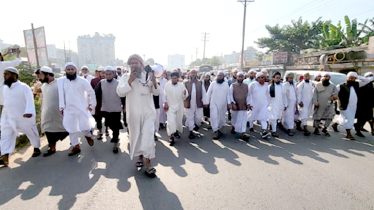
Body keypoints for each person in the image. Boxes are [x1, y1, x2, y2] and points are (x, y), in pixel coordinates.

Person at [117, 54, 159, 177]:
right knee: (136, 137)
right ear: (129, 65)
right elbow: (120, 92)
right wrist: (130, 80)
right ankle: (140, 157)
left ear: (141, 64)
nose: (134, 65)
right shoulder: (125, 77)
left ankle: (148, 164)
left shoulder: (148, 76)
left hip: (148, 112)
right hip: (134, 113)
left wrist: (154, 81)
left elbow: (156, 92)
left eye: (137, 63)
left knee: (147, 136)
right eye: (132, 63)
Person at [0, 67, 41, 166]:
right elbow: (5, 102)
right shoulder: (4, 88)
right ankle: (4, 157)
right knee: (5, 135)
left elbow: (30, 100)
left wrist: (29, 111)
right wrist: (4, 115)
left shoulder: (24, 87)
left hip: (24, 116)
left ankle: (36, 148)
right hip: (9, 116)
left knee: (31, 133)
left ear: (14, 76)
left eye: (6, 74)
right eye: (4, 74)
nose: (4, 76)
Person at [58, 62, 96, 156]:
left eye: (72, 69)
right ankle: (75, 146)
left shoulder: (82, 81)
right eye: (68, 69)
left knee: (85, 126)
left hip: (81, 108)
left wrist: (92, 104)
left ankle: (88, 136)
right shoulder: (61, 81)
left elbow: (91, 92)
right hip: (68, 109)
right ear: (65, 70)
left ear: (75, 70)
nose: (70, 71)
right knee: (71, 128)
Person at [39, 66, 69, 157]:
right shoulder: (43, 86)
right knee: (48, 129)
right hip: (47, 112)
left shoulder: (59, 84)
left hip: (59, 113)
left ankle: (75, 144)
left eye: (40, 75)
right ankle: (52, 148)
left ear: (47, 74)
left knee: (65, 129)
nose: (39, 77)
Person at [94, 66, 124, 153]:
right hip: (105, 109)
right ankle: (110, 134)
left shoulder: (119, 83)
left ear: (114, 73)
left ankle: (115, 143)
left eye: (110, 74)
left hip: (116, 109)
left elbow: (123, 96)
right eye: (106, 74)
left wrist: (124, 106)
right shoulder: (101, 83)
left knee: (115, 127)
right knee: (109, 124)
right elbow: (96, 94)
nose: (108, 76)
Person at [334, 71, 370, 140]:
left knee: (344, 118)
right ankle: (348, 134)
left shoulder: (357, 84)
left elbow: (367, 80)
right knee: (349, 119)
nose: (351, 79)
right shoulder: (341, 86)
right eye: (350, 78)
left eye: (353, 78)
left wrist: (358, 76)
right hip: (344, 105)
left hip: (353, 106)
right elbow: (334, 92)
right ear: (347, 78)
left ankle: (335, 124)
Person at [163, 71, 188, 146]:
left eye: (175, 78)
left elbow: (185, 96)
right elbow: (164, 95)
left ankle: (176, 131)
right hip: (170, 106)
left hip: (179, 106)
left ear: (177, 78)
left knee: (178, 121)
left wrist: (184, 94)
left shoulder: (181, 85)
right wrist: (165, 103)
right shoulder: (167, 85)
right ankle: (171, 136)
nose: (174, 79)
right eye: (173, 78)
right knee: (171, 121)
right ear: (171, 78)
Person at [0, 48, 22, 127]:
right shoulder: (3, 66)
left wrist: (6, 53)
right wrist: (18, 54)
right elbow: (17, 61)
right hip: (3, 94)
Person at [206, 71, 231, 140]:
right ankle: (215, 130)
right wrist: (206, 102)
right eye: (218, 75)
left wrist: (229, 103)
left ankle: (219, 129)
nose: (219, 77)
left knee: (221, 118)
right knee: (214, 116)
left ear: (223, 77)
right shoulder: (213, 84)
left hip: (223, 104)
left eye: (221, 75)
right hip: (213, 103)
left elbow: (228, 94)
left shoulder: (226, 85)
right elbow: (208, 93)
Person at [183, 69, 207, 139]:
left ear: (196, 74)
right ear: (189, 74)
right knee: (190, 117)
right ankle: (191, 131)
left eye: (194, 73)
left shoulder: (200, 83)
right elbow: (182, 93)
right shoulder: (185, 83)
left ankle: (196, 125)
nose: (193, 74)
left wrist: (205, 102)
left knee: (199, 118)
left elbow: (204, 93)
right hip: (189, 103)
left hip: (198, 103)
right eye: (192, 73)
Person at [312, 72, 338, 136]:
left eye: (327, 76)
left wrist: (334, 96)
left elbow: (336, 93)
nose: (326, 78)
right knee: (318, 116)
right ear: (322, 77)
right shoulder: (318, 85)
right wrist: (315, 102)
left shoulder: (332, 86)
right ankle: (316, 129)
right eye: (325, 76)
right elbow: (314, 94)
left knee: (331, 115)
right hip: (320, 103)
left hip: (329, 104)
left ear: (329, 78)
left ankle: (325, 128)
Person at [248, 72, 271, 139]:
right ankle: (251, 126)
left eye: (264, 77)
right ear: (257, 78)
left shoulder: (266, 85)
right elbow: (249, 94)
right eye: (262, 77)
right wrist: (249, 103)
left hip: (263, 104)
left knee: (263, 117)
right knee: (251, 115)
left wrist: (268, 103)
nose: (264, 79)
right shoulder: (252, 85)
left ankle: (264, 131)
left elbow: (267, 95)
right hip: (254, 104)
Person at [229, 72, 250, 141]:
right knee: (234, 119)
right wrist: (232, 103)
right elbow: (230, 95)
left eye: (241, 77)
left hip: (243, 105)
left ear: (243, 78)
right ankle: (234, 127)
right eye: (239, 76)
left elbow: (248, 96)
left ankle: (243, 133)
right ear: (237, 77)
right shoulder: (233, 85)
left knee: (243, 120)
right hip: (235, 105)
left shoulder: (246, 86)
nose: (240, 78)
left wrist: (249, 104)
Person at [268, 72, 287, 137]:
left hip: (280, 104)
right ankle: (274, 131)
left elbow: (284, 96)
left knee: (277, 117)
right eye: (277, 78)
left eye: (279, 78)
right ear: (273, 78)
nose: (278, 79)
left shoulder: (282, 86)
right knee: (274, 117)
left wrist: (285, 104)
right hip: (272, 104)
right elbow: (268, 97)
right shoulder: (270, 87)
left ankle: (271, 125)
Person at [91, 66, 108, 138]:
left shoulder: (110, 80)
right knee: (98, 118)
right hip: (97, 102)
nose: (103, 74)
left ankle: (107, 129)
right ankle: (100, 131)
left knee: (108, 117)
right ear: (99, 73)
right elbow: (91, 92)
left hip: (107, 102)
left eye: (105, 73)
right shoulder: (93, 81)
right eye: (102, 72)